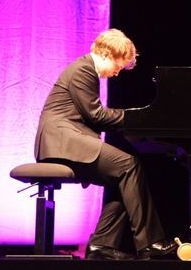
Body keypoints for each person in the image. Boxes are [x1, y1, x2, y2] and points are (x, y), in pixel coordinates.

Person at [35, 29, 177, 260]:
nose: (117, 73)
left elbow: (93, 117)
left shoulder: (85, 70)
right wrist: (133, 118)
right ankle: (150, 243)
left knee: (124, 179)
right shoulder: (83, 70)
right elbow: (96, 115)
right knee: (129, 165)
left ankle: (102, 245)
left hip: (67, 140)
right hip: (61, 142)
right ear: (107, 54)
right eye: (119, 66)